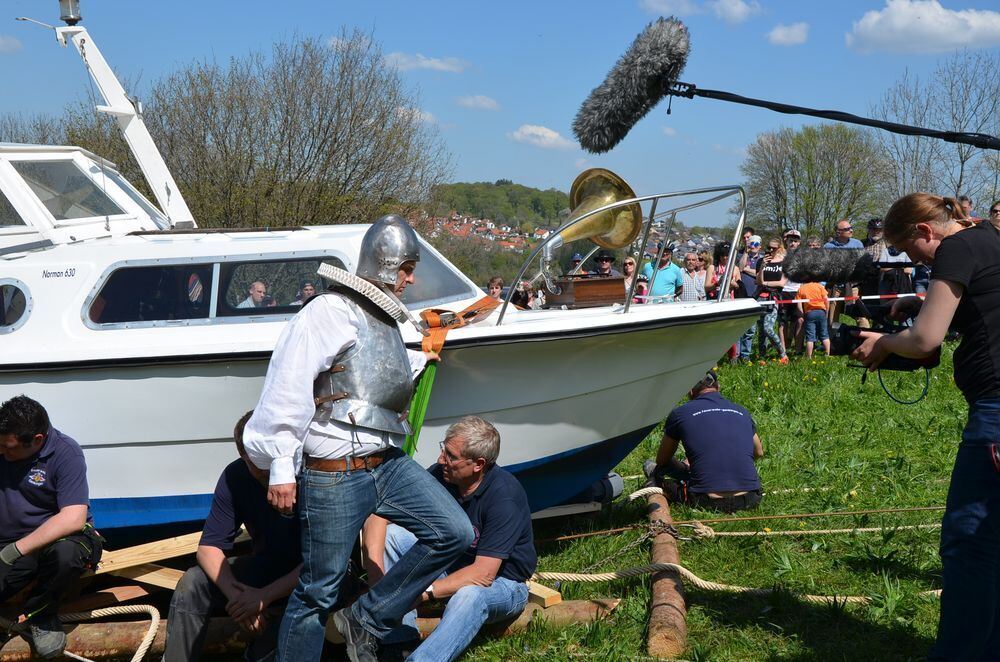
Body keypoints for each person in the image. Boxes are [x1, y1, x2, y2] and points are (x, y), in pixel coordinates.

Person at [241, 215, 474, 662]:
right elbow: (287, 387)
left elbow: (375, 385)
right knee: (317, 591)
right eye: (406, 267)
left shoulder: (386, 320)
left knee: (454, 532)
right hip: (333, 474)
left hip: (386, 463)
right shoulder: (329, 311)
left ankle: (365, 618)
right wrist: (283, 467)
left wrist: (425, 353)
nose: (411, 278)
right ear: (385, 264)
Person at [849, 192, 999, 660]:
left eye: (913, 252)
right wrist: (921, 301)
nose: (916, 259)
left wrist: (886, 343)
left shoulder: (955, 248)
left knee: (969, 542)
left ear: (924, 231)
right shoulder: (989, 237)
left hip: (996, 411)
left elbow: (926, 339)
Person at [363, 416, 535, 662]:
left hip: (502, 583)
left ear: (478, 464)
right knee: (392, 537)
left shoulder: (504, 497)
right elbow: (379, 516)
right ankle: (397, 640)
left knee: (469, 596)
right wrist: (377, 582)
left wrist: (421, 594)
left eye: (451, 456)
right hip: (453, 564)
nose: (441, 459)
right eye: (443, 449)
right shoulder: (443, 475)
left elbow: (483, 574)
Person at [164, 411, 302, 662]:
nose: (265, 467)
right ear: (243, 455)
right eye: (255, 460)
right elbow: (208, 548)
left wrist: (263, 598)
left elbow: (325, 563)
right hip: (267, 570)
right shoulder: (235, 476)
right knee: (193, 582)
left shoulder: (308, 474)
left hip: (314, 578)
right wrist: (239, 599)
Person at [0, 395, 102, 659]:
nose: (2, 452)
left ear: (37, 440)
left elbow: (73, 517)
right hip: (7, 542)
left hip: (53, 541)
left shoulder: (66, 452)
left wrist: (12, 552)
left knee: (67, 556)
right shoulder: (2, 445)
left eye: (9, 448)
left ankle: (42, 616)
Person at [643, 372, 763, 513]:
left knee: (651, 467)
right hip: (750, 498)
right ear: (718, 387)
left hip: (707, 501)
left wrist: (685, 468)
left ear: (690, 391)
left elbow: (662, 460)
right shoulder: (742, 411)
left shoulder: (680, 414)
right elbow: (759, 452)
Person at [824, 220, 867, 331]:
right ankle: (833, 342)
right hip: (835, 287)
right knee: (832, 318)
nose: (851, 230)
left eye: (850, 228)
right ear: (838, 232)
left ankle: (866, 338)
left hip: (852, 287)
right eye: (847, 229)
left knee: (860, 315)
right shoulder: (828, 246)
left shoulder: (857, 244)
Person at [755, 238, 789, 363]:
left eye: (773, 248)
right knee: (761, 331)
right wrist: (763, 266)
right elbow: (758, 281)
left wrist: (766, 282)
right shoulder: (761, 261)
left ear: (779, 248)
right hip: (760, 297)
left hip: (773, 297)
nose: (770, 250)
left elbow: (781, 283)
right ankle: (762, 357)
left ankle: (782, 353)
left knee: (768, 328)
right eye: (768, 247)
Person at [736, 235, 763, 361]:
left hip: (754, 296)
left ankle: (745, 355)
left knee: (750, 329)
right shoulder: (742, 256)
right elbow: (740, 268)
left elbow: (759, 275)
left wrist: (747, 269)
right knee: (739, 327)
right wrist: (746, 254)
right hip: (741, 296)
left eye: (756, 245)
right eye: (751, 244)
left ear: (760, 246)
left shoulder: (762, 260)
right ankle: (736, 355)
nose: (754, 247)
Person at [780, 230, 804, 353]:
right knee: (783, 322)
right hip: (783, 292)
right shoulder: (780, 256)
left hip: (798, 292)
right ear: (786, 241)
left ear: (799, 243)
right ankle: (783, 350)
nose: (793, 243)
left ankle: (798, 350)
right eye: (790, 241)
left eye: (795, 241)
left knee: (800, 320)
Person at [797, 279, 830, 358]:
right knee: (824, 335)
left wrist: (801, 314)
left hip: (810, 313)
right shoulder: (820, 286)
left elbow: (799, 304)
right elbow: (826, 301)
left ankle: (809, 356)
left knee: (810, 337)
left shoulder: (802, 288)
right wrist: (827, 312)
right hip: (821, 312)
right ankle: (827, 354)